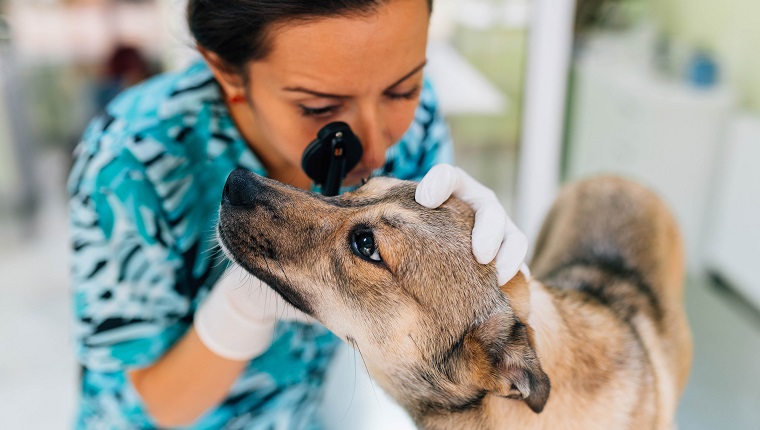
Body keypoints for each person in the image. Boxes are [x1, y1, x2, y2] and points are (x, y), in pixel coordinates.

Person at [67, 0, 527, 428]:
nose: (378, 144)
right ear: (226, 71)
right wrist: (238, 311)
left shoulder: (417, 120)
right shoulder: (130, 164)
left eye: (402, 88)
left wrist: (497, 286)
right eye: (320, 107)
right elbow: (155, 404)